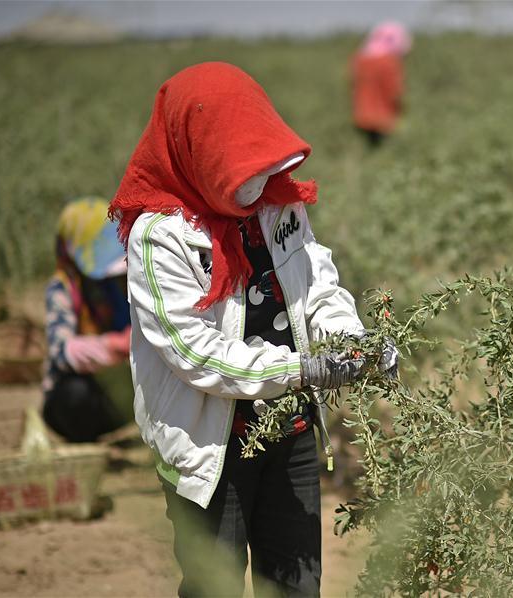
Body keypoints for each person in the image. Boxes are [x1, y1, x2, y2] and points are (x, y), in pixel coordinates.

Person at [110, 62, 396, 597]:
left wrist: (351, 342)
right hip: (207, 447)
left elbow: (317, 282)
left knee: (295, 584)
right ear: (199, 154)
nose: (257, 181)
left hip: (290, 432)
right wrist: (301, 369)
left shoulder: (277, 202)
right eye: (240, 168)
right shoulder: (159, 237)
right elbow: (192, 351)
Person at [42, 197, 131, 443]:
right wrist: (113, 345)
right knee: (75, 394)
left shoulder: (116, 283)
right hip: (78, 396)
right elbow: (60, 352)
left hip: (116, 390)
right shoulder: (61, 290)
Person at [351, 21, 412, 147]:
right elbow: (395, 91)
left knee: (368, 147)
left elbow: (353, 85)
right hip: (383, 118)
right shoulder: (389, 62)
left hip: (362, 116)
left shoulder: (360, 59)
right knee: (384, 147)